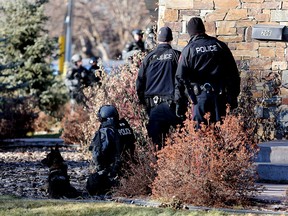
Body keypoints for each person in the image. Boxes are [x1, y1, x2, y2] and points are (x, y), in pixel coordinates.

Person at [174, 17, 241, 127]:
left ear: (190, 32)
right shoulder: (219, 45)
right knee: (220, 132)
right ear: (203, 29)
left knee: (201, 134)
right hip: (219, 96)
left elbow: (180, 77)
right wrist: (232, 96)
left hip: (200, 98)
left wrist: (179, 102)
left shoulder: (189, 50)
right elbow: (233, 73)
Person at [136, 26, 186, 150]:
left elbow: (140, 83)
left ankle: (159, 167)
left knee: (157, 145)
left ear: (158, 39)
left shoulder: (149, 57)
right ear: (171, 39)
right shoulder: (176, 55)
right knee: (179, 141)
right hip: (172, 106)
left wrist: (144, 102)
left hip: (154, 107)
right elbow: (183, 79)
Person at [86, 105, 135, 195]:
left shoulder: (106, 131)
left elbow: (97, 154)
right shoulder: (125, 127)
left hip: (113, 171)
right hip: (130, 169)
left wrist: (101, 170)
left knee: (91, 183)